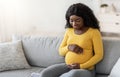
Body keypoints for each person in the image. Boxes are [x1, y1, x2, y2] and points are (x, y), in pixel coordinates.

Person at [40, 3, 103, 77]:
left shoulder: (93, 32)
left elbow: (99, 55)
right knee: (45, 73)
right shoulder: (69, 31)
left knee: (72, 75)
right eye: (71, 20)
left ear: (85, 19)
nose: (74, 24)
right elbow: (61, 51)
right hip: (68, 66)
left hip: (86, 70)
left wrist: (81, 66)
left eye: (77, 20)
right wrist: (69, 47)